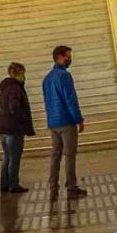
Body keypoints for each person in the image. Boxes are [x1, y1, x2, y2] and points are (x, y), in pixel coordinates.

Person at [43, 44, 87, 197]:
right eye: (68, 56)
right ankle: (71, 187)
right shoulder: (65, 76)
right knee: (70, 154)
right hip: (66, 121)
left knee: (55, 155)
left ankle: (53, 187)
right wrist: (79, 119)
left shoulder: (47, 79)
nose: (70, 59)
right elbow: (70, 100)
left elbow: (47, 102)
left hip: (53, 122)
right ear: (60, 57)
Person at [0, 61, 35, 194]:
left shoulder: (5, 87)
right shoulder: (15, 88)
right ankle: (13, 184)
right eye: (23, 73)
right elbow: (14, 107)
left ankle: (4, 183)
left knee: (7, 156)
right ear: (18, 73)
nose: (24, 76)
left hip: (2, 126)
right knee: (15, 157)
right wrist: (23, 120)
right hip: (13, 127)